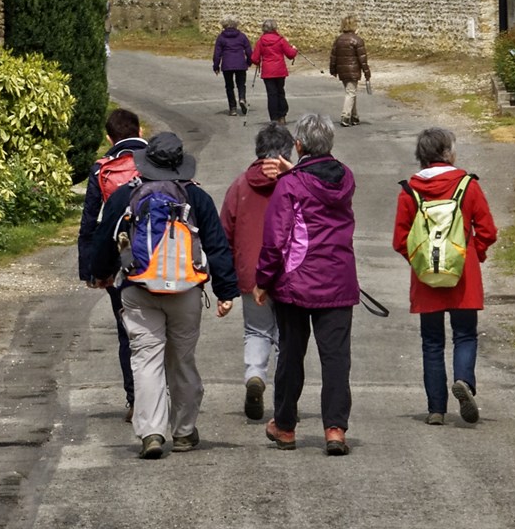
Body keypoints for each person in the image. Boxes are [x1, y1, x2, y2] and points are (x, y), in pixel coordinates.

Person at [79, 130, 238, 457]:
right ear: (181, 165)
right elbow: (218, 246)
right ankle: (183, 431)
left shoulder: (126, 195)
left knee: (146, 359)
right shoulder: (197, 198)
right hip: (185, 292)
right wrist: (226, 291)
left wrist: (102, 274)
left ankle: (151, 432)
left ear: (146, 162)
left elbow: (103, 237)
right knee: (182, 360)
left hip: (139, 289)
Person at [253, 109, 360, 454]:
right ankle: (335, 429)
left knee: (291, 354)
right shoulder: (345, 178)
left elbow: (275, 240)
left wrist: (263, 281)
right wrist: (294, 170)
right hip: (339, 279)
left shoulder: (290, 185)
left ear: (297, 145)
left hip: (296, 283)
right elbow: (316, 184)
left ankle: (285, 426)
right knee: (336, 359)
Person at [394, 125, 500, 425]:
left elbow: (400, 239)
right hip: (462, 273)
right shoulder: (468, 185)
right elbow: (488, 230)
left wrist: (420, 262)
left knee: (432, 342)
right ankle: (464, 381)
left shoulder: (409, 190)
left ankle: (436, 409)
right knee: (465, 334)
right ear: (446, 152)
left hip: (426, 275)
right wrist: (471, 253)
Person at [220, 122, 295, 422]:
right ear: (288, 152)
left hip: (251, 274)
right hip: (291, 273)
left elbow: (224, 231)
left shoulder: (240, 184)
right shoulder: (296, 182)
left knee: (256, 330)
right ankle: (283, 397)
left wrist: (225, 281)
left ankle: (255, 375)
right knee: (288, 336)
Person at [77, 108, 151, 409]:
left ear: (110, 138)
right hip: (161, 255)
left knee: (127, 332)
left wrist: (90, 271)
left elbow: (90, 223)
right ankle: (163, 393)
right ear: (141, 132)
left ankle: (134, 399)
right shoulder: (159, 162)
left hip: (119, 260)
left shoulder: (101, 169)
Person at [330, 14, 371, 125]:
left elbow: (333, 56)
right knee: (350, 92)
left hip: (342, 70)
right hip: (353, 70)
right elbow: (362, 59)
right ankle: (345, 116)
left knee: (350, 92)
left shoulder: (338, 40)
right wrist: (367, 72)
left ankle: (354, 116)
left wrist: (333, 69)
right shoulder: (357, 40)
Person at [254, 19, 298, 123]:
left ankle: (273, 118)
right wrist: (294, 49)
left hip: (268, 72)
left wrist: (258, 62)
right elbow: (290, 54)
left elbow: (254, 58)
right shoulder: (280, 40)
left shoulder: (261, 41)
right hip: (279, 71)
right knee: (280, 92)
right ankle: (282, 115)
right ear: (275, 28)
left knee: (271, 95)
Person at [211, 18, 254, 117]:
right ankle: (242, 98)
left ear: (224, 26)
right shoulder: (242, 36)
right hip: (240, 64)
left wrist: (216, 66)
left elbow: (217, 54)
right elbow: (249, 51)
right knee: (241, 84)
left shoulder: (221, 37)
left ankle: (233, 108)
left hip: (227, 65)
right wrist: (249, 62)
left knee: (229, 87)